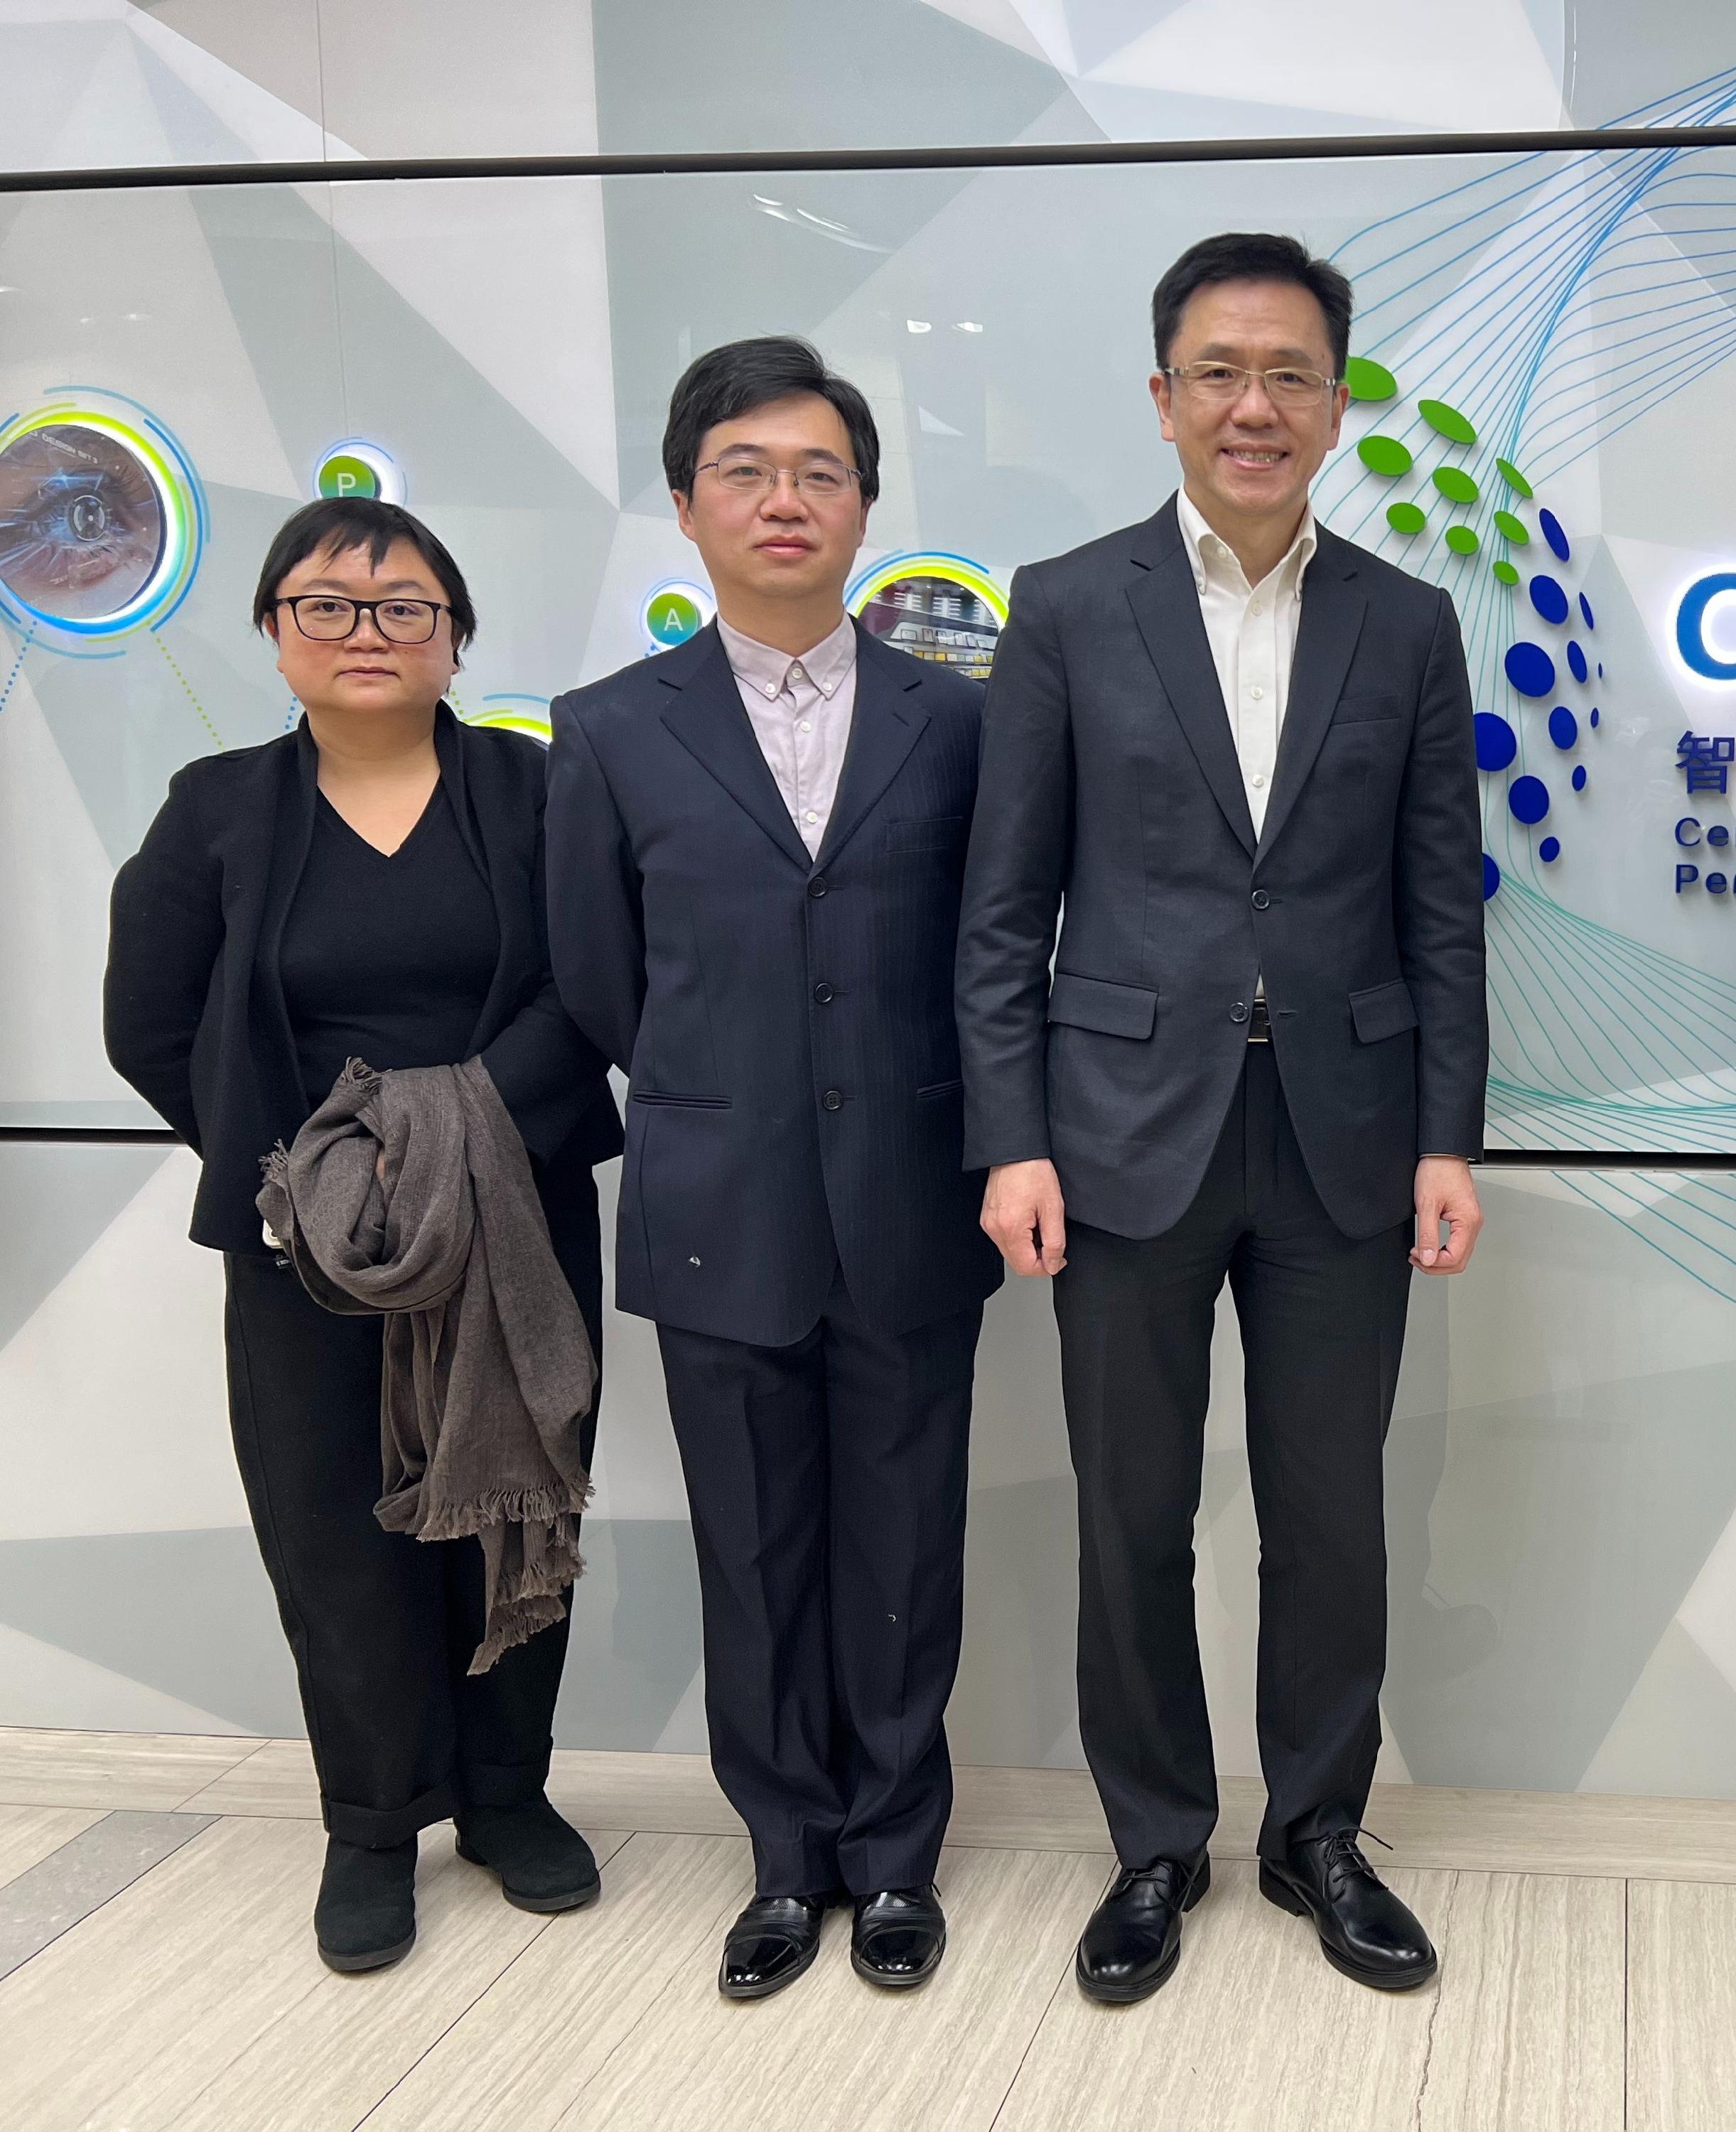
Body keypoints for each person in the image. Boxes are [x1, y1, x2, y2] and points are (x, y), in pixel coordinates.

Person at [956, 232, 1485, 2004]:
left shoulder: (1405, 623)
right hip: (1115, 1131)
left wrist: (1445, 1138)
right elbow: (1000, 907)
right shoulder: (1066, 603)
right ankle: (1155, 1840)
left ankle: (1317, 1832)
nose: (1254, 405)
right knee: (1132, 1507)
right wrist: (1011, 1138)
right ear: (1165, 394)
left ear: (1338, 403)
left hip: (1344, 1133)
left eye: (1290, 374)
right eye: (1219, 371)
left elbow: (1438, 907)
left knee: (1329, 1507)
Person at [544, 338, 1006, 2001]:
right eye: (744, 469)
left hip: (911, 1187)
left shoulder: (962, 722)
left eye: (818, 471)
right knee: (752, 1549)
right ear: (685, 506)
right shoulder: (604, 731)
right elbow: (599, 974)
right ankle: (782, 1861)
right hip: (714, 1199)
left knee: (903, 1545)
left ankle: (892, 1861)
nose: (784, 499)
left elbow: (990, 950)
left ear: (867, 506)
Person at [104, 498, 620, 1975]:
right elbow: (149, 1022)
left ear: (454, 639)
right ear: (274, 634)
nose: (367, 632)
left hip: (512, 1215)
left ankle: (509, 1798)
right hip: (300, 1248)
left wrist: (457, 1138)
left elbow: (590, 987)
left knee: (514, 1500)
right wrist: (321, 1179)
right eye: (327, 604)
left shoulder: (532, 792)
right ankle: (374, 1825)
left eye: (405, 608)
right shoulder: (216, 809)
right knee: (335, 1529)